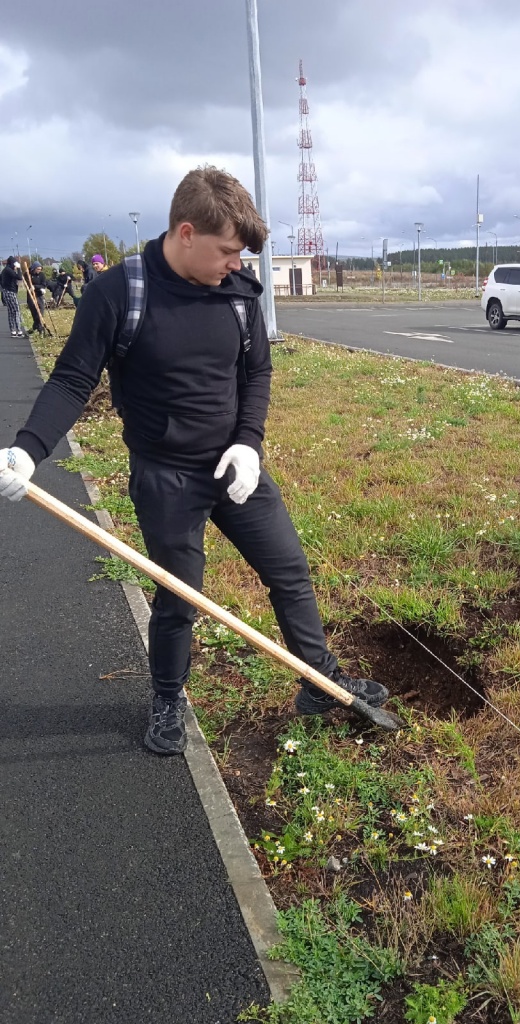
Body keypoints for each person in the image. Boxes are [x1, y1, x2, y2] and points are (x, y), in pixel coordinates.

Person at [0, 165, 388, 756]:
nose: (236, 264)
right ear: (186, 233)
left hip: (233, 467)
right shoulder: (119, 293)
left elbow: (257, 372)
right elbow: (73, 380)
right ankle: (166, 699)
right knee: (179, 596)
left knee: (289, 570)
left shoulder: (237, 292)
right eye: (227, 251)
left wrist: (248, 444)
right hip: (166, 477)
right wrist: (28, 451)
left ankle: (318, 680)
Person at [1, 256, 24, 336]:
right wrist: (19, 268)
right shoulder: (8, 270)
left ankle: (13, 330)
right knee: (16, 310)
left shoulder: (4, 270)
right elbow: (19, 277)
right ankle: (19, 330)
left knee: (11, 311)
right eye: (15, 264)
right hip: (11, 292)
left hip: (6, 292)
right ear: (12, 263)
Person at [26, 261, 49, 334]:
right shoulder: (29, 274)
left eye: (40, 269)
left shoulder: (42, 275)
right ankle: (40, 330)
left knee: (40, 311)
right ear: (34, 268)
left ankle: (35, 327)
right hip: (31, 295)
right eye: (38, 269)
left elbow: (44, 284)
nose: (39, 270)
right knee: (34, 312)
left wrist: (36, 287)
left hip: (39, 294)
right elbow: (25, 281)